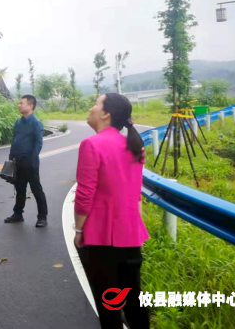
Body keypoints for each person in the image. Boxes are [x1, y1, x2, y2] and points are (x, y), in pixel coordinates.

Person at [74, 93, 150, 329]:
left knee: (109, 304)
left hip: (101, 237)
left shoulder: (92, 144)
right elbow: (135, 194)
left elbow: (85, 194)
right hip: (131, 233)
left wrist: (78, 229)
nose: (91, 107)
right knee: (133, 299)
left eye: (95, 103)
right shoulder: (134, 145)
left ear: (106, 113)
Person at [5, 95, 48, 227]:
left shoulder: (36, 123)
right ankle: (18, 214)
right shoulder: (18, 122)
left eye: (21, 103)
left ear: (30, 106)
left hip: (30, 162)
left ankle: (42, 217)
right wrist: (11, 156)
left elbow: (38, 143)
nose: (19, 105)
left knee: (36, 189)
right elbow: (15, 140)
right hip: (18, 160)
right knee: (19, 189)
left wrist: (33, 160)